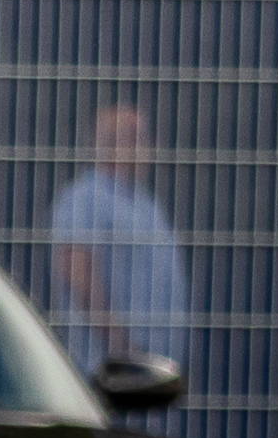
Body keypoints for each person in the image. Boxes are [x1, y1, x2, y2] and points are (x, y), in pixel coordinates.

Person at [47, 100, 190, 380]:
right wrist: (121, 347)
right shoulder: (84, 199)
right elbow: (78, 273)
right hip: (109, 371)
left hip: (153, 369)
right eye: (136, 138)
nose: (146, 147)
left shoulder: (145, 204)